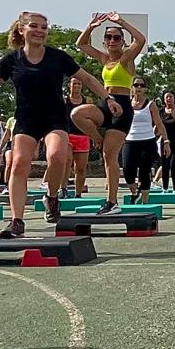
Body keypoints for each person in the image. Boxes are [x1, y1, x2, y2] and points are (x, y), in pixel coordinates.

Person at [0, 11, 118, 236]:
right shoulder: (11, 60)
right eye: (34, 26)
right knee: (19, 163)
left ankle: (51, 196)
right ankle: (16, 221)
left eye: (44, 27)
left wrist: (108, 99)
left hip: (55, 118)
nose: (40, 30)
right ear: (22, 30)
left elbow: (87, 78)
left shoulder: (57, 57)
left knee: (58, 156)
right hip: (26, 120)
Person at [70, 12, 148, 212]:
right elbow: (81, 44)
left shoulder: (127, 59)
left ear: (122, 42)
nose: (112, 40)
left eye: (116, 37)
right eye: (108, 37)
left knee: (109, 156)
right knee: (77, 114)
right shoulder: (105, 59)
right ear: (104, 42)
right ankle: (97, 138)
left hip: (122, 108)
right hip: (106, 103)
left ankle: (112, 202)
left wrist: (120, 22)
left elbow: (140, 40)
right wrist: (92, 25)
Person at [121, 78, 171, 202]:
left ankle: (145, 202)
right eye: (136, 85)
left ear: (145, 89)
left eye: (141, 85)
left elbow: (159, 124)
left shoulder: (150, 104)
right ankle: (134, 192)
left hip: (147, 140)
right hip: (130, 141)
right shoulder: (126, 104)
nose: (139, 88)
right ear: (132, 87)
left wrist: (166, 142)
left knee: (145, 172)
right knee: (128, 171)